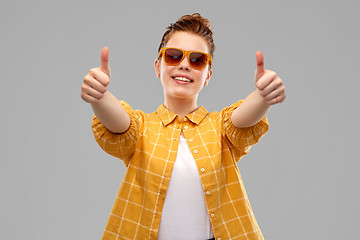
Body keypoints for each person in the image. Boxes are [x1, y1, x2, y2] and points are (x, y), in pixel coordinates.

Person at [81, 13, 285, 240]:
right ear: (158, 67)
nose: (185, 65)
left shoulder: (220, 128)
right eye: (174, 56)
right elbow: (118, 123)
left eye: (198, 60)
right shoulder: (142, 129)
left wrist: (263, 96)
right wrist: (100, 97)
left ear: (208, 75)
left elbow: (243, 119)